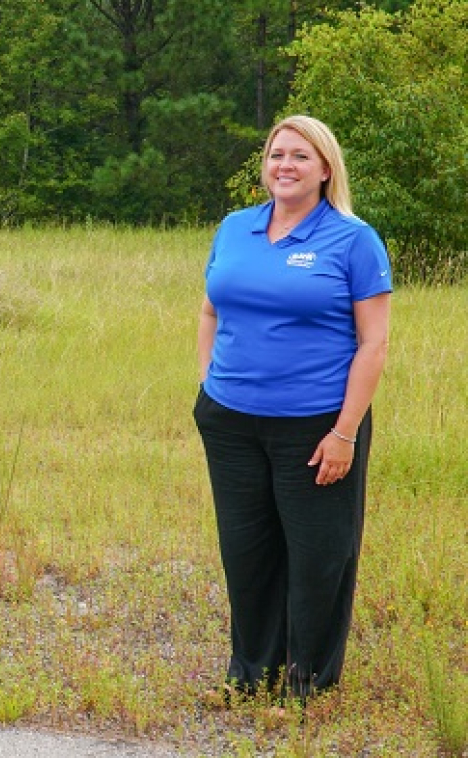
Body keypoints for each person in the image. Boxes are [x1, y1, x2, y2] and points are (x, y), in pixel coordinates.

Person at [194, 115, 391, 703]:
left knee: (318, 556)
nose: (285, 164)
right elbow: (210, 312)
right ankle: (252, 673)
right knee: (247, 550)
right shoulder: (235, 229)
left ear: (325, 168)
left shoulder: (353, 239)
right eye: (277, 154)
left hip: (316, 426)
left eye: (300, 156)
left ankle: (309, 683)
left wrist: (345, 432)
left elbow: (373, 344)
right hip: (230, 421)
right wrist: (210, 384)